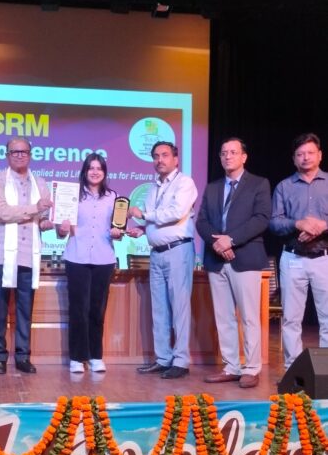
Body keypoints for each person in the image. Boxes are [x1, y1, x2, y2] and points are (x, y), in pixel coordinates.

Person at [196, 137, 271, 388]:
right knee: (224, 317)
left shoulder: (259, 184)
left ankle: (251, 367)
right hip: (216, 260)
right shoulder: (213, 187)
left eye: (233, 152)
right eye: (223, 153)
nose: (227, 156)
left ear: (244, 157)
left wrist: (231, 240)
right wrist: (218, 243)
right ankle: (231, 366)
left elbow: (261, 218)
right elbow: (202, 222)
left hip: (246, 258)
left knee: (249, 316)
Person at [128, 141, 198, 380]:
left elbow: (176, 213)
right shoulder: (153, 187)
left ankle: (181, 361)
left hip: (178, 250)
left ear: (175, 159)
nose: (160, 160)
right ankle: (163, 358)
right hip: (156, 253)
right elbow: (157, 221)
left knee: (179, 308)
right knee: (159, 309)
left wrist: (144, 215)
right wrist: (143, 229)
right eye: (156, 156)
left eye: (165, 155)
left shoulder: (185, 183)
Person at [0, 138, 52, 375]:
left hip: (28, 254)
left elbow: (42, 217)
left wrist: (48, 223)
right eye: (15, 152)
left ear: (30, 155)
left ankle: (23, 356)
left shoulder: (40, 183)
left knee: (25, 308)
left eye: (24, 152)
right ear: (7, 155)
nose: (20, 155)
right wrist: (35, 209)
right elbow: (2, 212)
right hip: (0, 255)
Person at [57, 153, 122, 373]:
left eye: (99, 168)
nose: (95, 172)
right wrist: (61, 229)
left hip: (104, 259)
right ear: (84, 171)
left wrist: (118, 233)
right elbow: (60, 231)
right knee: (78, 309)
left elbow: (117, 229)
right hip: (77, 257)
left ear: (104, 172)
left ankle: (95, 356)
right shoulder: (71, 195)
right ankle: (77, 357)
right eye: (91, 168)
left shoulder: (114, 198)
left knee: (97, 309)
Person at [270, 132, 328, 370]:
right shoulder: (284, 186)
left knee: (327, 319)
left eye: (310, 153)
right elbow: (274, 223)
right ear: (294, 159)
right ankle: (293, 372)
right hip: (293, 258)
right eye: (300, 154)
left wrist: (322, 226)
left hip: (323, 258)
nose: (306, 157)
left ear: (320, 155)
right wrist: (298, 224)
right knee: (291, 319)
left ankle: (324, 373)